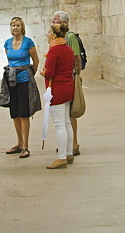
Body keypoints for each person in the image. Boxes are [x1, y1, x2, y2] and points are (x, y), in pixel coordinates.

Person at [2, 16, 39, 158]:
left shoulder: (28, 42)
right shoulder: (7, 43)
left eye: (17, 25)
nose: (15, 28)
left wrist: (30, 74)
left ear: (22, 27)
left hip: (24, 80)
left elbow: (35, 60)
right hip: (11, 81)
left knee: (24, 113)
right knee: (15, 113)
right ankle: (19, 142)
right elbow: (10, 59)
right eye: (13, 26)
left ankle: (26, 145)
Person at [42, 22, 75, 169]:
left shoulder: (54, 51)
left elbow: (49, 73)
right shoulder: (67, 49)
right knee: (67, 122)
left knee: (59, 124)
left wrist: (42, 73)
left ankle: (61, 157)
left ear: (54, 35)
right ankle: (68, 153)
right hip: (68, 88)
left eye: (48, 32)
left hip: (57, 90)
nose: (47, 35)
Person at [53, 11, 82, 156]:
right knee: (66, 116)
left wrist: (76, 76)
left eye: (56, 19)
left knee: (71, 114)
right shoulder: (60, 39)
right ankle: (68, 144)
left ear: (64, 23)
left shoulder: (70, 37)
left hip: (69, 79)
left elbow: (77, 58)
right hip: (65, 79)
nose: (53, 21)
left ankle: (74, 143)